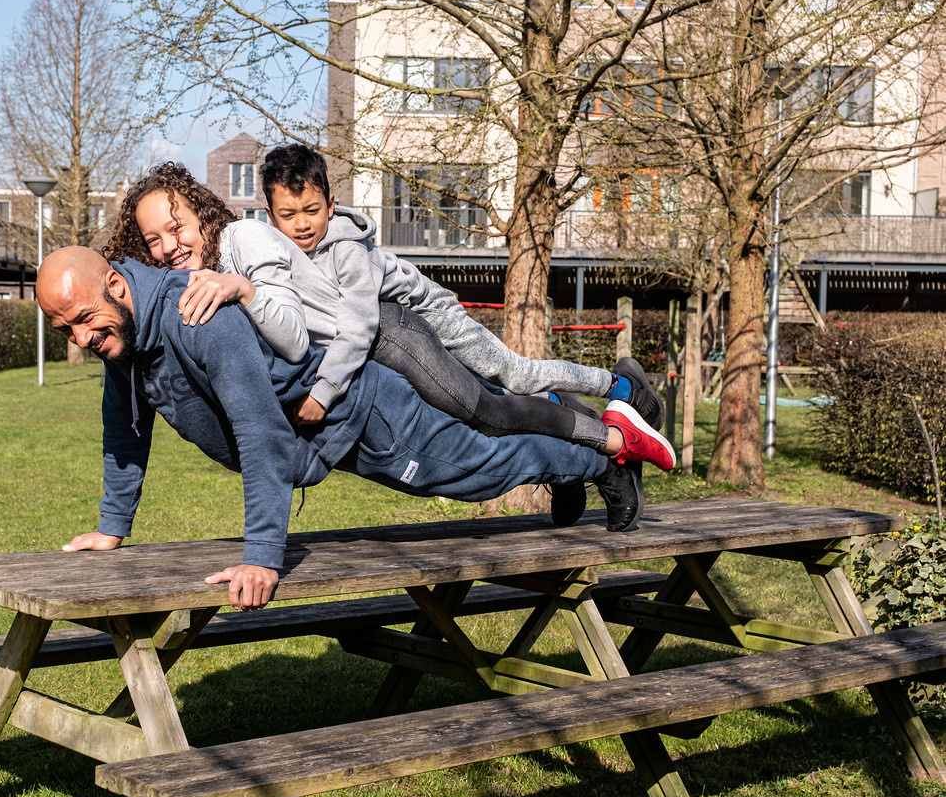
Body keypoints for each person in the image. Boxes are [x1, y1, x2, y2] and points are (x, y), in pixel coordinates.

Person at [37, 246, 646, 611]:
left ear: (116, 286)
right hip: (328, 437)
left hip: (367, 416)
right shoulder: (124, 339)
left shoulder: (196, 319)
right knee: (486, 454)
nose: (82, 339)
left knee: (478, 470)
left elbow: (259, 435)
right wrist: (111, 528)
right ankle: (562, 450)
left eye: (84, 321)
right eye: (66, 330)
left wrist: (261, 557)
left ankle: (600, 462)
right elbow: (124, 431)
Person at [101, 163, 673, 524]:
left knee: (484, 423)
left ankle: (608, 449)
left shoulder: (241, 245)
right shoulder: (182, 294)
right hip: (360, 367)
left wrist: (246, 294)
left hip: (383, 340)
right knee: (488, 408)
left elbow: (304, 335)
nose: (170, 245)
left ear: (200, 215)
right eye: (153, 239)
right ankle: (568, 438)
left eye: (177, 227)